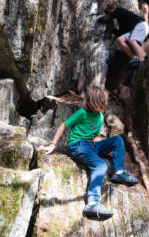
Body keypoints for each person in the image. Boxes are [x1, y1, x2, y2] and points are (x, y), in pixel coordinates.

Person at [37, 86, 139, 220]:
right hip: (78, 145)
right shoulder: (82, 113)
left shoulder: (100, 117)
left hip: (91, 145)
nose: (104, 106)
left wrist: (98, 142)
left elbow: (95, 135)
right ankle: (92, 203)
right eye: (101, 104)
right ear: (93, 103)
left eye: (105, 103)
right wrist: (53, 145)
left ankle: (118, 173)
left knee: (117, 140)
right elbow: (64, 125)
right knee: (101, 165)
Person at [98, 2, 149, 67]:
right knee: (120, 40)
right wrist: (113, 28)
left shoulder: (119, 10)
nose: (110, 15)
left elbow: (106, 19)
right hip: (133, 30)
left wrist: (99, 17)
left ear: (113, 9)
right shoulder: (122, 19)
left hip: (141, 25)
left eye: (109, 13)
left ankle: (142, 60)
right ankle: (134, 58)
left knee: (132, 41)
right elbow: (120, 34)